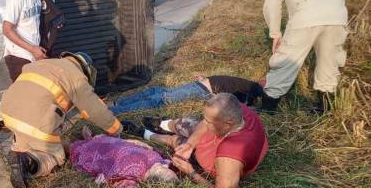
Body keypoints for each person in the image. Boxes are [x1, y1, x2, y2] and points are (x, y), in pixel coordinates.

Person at [0, 51, 123, 188]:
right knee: (56, 157)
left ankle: (20, 151)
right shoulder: (76, 76)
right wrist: (116, 129)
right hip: (35, 118)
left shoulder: (44, 64)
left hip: (8, 113)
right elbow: (94, 109)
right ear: (86, 69)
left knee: (26, 142)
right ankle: (31, 163)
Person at [123, 93, 268, 188]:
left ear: (228, 123)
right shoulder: (238, 110)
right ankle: (163, 123)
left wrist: (191, 172)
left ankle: (145, 133)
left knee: (176, 141)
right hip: (222, 136)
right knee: (186, 124)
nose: (205, 123)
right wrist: (191, 144)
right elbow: (204, 123)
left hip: (214, 156)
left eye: (209, 122)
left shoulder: (229, 155)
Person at [260, 0, 349, 113]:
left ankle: (267, 110)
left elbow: (271, 6)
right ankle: (323, 109)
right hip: (337, 17)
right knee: (329, 63)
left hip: (305, 17)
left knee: (286, 62)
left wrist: (275, 34)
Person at [109, 74, 264, 114]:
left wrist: (256, 108)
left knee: (160, 98)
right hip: (199, 85)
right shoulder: (250, 87)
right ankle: (118, 104)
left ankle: (116, 110)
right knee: (157, 92)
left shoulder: (253, 88)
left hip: (201, 90)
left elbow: (238, 106)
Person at [2, 0, 49, 81]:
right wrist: (32, 49)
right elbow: (7, 29)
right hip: (18, 56)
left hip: (33, 55)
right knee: (26, 96)